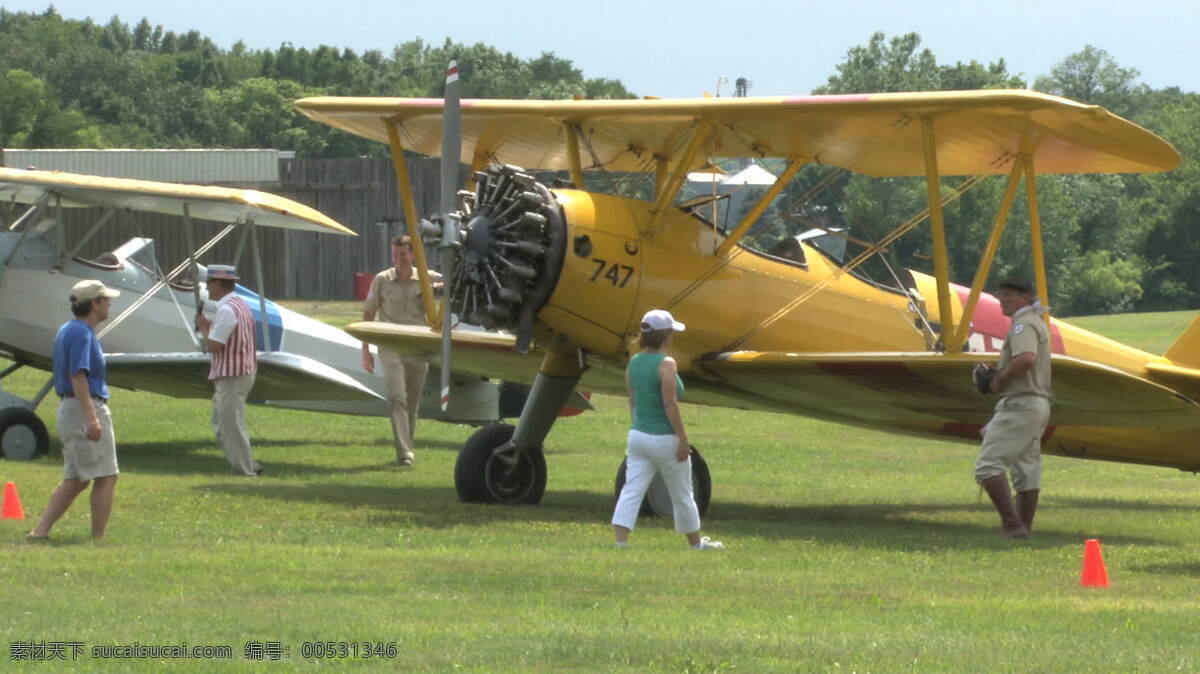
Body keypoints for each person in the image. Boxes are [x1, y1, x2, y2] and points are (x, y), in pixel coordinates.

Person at [612, 309, 723, 550]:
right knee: (683, 493)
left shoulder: (634, 361)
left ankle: (621, 542)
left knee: (631, 490)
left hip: (638, 436)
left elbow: (633, 402)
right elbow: (669, 403)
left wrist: (639, 427)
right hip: (663, 438)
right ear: (667, 335)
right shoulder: (666, 363)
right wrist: (682, 438)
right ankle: (695, 544)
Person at [27, 280, 121, 541]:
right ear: (94, 303)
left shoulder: (72, 330)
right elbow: (78, 377)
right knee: (106, 476)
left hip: (73, 408)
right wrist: (93, 419)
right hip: (84, 407)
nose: (110, 304)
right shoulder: (80, 333)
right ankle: (97, 539)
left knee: (78, 478)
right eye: (106, 300)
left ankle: (40, 532)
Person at [971, 278, 1052, 539]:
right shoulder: (1034, 321)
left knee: (988, 466)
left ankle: (1011, 525)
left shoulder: (1023, 323)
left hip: (1020, 402)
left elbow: (1026, 358)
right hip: (1035, 403)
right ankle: (1022, 528)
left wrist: (997, 380)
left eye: (1008, 294)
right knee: (1026, 471)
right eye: (1000, 294)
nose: (1001, 299)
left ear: (1025, 296)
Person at [361, 235, 440, 467]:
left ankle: (407, 448)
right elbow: (368, 315)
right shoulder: (382, 280)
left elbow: (454, 284)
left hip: (418, 346)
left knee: (412, 403)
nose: (398, 259)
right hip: (390, 346)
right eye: (395, 255)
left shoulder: (427, 278)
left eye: (403, 254)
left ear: (412, 254)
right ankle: (405, 453)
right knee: (397, 398)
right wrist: (365, 351)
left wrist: (441, 289)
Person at [194, 265, 261, 477]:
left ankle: (244, 470)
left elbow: (215, 346)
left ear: (218, 284)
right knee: (223, 421)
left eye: (209, 283)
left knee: (230, 425)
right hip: (242, 371)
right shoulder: (240, 304)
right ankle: (249, 464)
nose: (207, 287)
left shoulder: (226, 309)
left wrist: (204, 328)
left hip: (232, 374)